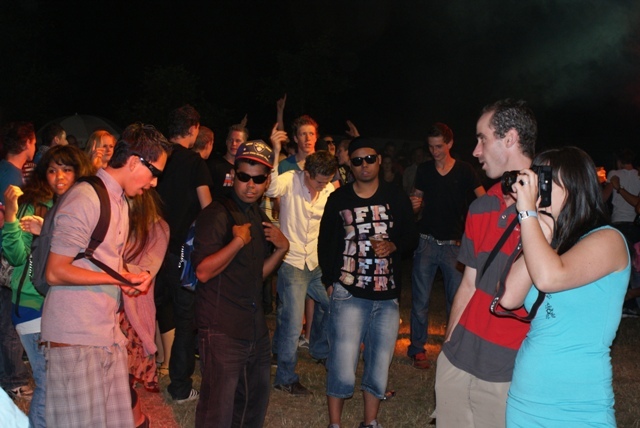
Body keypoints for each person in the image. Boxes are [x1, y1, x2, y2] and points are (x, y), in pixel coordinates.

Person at [41, 123, 171, 428]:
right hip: (75, 337)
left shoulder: (119, 201)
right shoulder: (86, 197)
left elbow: (98, 262)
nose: (154, 182)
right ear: (135, 161)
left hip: (104, 334)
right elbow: (55, 271)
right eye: (154, 172)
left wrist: (127, 276)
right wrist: (117, 279)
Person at [497, 147, 630, 426]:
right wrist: (542, 228)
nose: (536, 189)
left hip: (579, 407)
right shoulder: (546, 242)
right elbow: (508, 298)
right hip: (525, 401)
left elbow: (550, 278)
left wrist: (528, 215)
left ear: (573, 185)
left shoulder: (609, 240)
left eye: (543, 180)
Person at [434, 99, 537, 428]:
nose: (475, 151)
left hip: (508, 368)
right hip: (458, 357)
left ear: (509, 138)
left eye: (482, 139)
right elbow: (468, 284)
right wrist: (448, 346)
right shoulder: (481, 206)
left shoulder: (553, 210)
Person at [319, 137, 417, 428]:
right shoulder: (339, 199)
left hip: (386, 296)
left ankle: (370, 422)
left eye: (370, 159)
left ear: (379, 160)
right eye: (358, 160)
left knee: (379, 363)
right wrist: (330, 281)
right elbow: (326, 242)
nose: (365, 165)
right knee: (342, 362)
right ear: (350, 164)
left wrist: (394, 245)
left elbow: (411, 236)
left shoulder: (395, 196)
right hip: (349, 293)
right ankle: (335, 423)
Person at [192, 140, 289, 427]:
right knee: (217, 411)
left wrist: (282, 250)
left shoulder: (257, 215)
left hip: (253, 326)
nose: (250, 185)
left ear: (267, 181)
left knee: (253, 404)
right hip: (221, 327)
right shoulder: (217, 213)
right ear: (233, 175)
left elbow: (255, 274)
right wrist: (236, 242)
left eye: (258, 179)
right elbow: (203, 272)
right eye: (244, 177)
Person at [3, 145, 93, 428]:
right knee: (48, 380)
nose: (59, 176)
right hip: (32, 305)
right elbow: (16, 256)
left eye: (66, 169)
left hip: (67, 305)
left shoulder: (82, 205)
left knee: (63, 381)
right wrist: (11, 217)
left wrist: (48, 230)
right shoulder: (34, 204)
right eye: (52, 170)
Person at [267, 124, 338, 395]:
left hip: (317, 263)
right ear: (306, 173)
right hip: (293, 262)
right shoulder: (290, 179)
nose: (323, 186)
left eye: (326, 181)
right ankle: (285, 378)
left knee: (333, 305)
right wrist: (275, 151)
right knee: (292, 323)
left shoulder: (328, 190)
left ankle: (319, 348)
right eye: (319, 181)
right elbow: (271, 188)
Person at [408, 123, 485, 369]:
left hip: (455, 245)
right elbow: (416, 201)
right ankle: (417, 348)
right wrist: (414, 206)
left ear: (450, 144)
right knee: (420, 300)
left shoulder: (465, 170)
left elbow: (484, 200)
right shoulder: (424, 170)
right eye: (431, 147)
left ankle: (452, 348)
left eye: (439, 146)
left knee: (456, 300)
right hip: (426, 242)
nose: (435, 151)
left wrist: (478, 227)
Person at [155, 104, 212, 403]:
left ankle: (143, 373)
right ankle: (179, 387)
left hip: (151, 247)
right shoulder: (194, 162)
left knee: (153, 311)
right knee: (185, 317)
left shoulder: (158, 156)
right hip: (181, 250)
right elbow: (207, 208)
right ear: (193, 129)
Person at [0, 122, 36, 400]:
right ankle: (14, 378)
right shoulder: (13, 179)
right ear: (27, 143)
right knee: (10, 320)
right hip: (6, 255)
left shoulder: (3, 169)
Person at [120, 189, 169, 394]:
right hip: (113, 301)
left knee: (129, 365)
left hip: (135, 302)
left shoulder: (158, 227)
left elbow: (147, 270)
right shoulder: (120, 224)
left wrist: (113, 265)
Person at [206, 124, 247, 197]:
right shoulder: (214, 166)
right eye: (231, 140)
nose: (233, 144)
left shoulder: (246, 169)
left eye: (238, 141)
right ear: (226, 142)